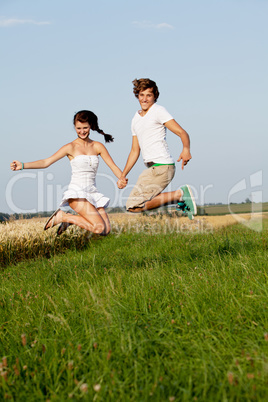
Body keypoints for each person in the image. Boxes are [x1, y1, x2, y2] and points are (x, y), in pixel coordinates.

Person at [10, 110, 127, 236]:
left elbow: (113, 166)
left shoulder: (98, 146)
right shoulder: (70, 147)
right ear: (75, 127)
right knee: (98, 228)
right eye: (78, 128)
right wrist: (22, 165)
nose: (82, 131)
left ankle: (69, 219)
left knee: (105, 231)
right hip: (77, 194)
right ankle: (64, 217)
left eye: (85, 128)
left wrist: (122, 178)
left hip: (92, 192)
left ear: (91, 126)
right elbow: (46, 162)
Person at [117, 78, 197, 219]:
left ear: (155, 96)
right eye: (142, 95)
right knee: (133, 207)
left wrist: (186, 149)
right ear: (137, 95)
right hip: (151, 170)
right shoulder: (135, 119)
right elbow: (135, 150)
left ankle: (179, 195)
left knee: (135, 205)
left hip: (162, 167)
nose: (145, 99)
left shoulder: (158, 111)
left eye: (149, 95)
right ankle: (180, 198)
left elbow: (182, 132)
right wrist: (123, 175)